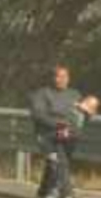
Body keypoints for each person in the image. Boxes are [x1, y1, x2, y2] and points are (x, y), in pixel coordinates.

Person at [31, 65, 90, 198]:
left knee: (55, 163)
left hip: (69, 137)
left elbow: (81, 115)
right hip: (48, 136)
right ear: (53, 78)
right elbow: (38, 115)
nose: (61, 79)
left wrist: (87, 112)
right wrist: (57, 124)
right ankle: (67, 193)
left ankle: (43, 192)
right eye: (58, 76)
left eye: (65, 76)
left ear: (69, 78)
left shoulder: (75, 94)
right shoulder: (42, 93)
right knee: (60, 161)